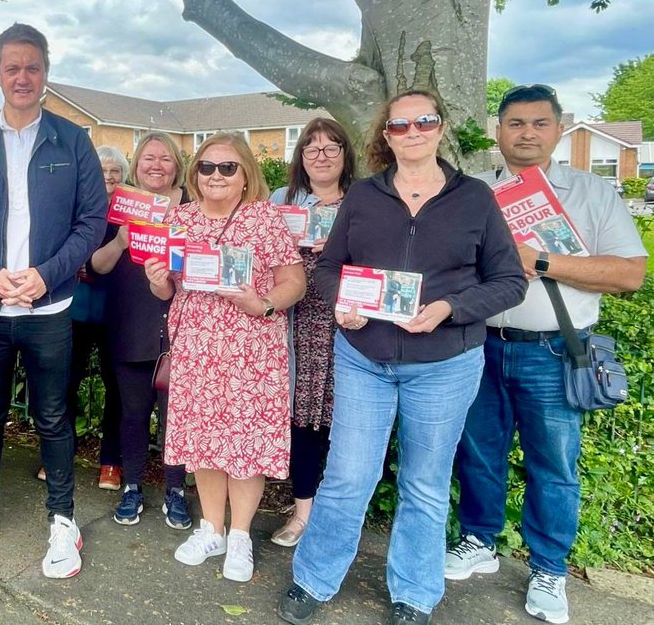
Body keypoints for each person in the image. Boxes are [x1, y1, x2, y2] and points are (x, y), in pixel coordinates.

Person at [279, 90, 527, 625]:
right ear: (386, 136)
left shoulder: (475, 198)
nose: (412, 131)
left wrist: (450, 308)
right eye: (400, 124)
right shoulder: (365, 196)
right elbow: (329, 267)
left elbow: (509, 282)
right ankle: (313, 577)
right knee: (347, 475)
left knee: (425, 480)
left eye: (424, 121)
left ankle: (414, 592)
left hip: (444, 363)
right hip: (365, 357)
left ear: (441, 128)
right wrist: (343, 301)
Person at [447, 84, 647, 625]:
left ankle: (549, 567)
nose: (526, 133)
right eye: (515, 123)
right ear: (498, 132)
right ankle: (478, 540)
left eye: (539, 123)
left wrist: (541, 261)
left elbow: (630, 274)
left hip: (553, 350)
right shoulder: (473, 192)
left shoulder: (591, 193)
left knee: (554, 465)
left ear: (559, 129)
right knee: (478, 452)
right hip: (479, 344)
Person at [0, 23, 108, 579]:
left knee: (52, 415)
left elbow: (91, 221)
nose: (22, 77)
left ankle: (63, 518)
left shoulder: (73, 140)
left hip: (49, 308)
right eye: (12, 67)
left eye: (32, 66)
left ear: (46, 72)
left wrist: (46, 275)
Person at [144, 132, 305, 584]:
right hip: (196, 347)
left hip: (251, 347)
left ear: (245, 173)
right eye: (206, 167)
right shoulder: (181, 220)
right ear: (195, 174)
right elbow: (168, 288)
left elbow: (295, 280)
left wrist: (266, 303)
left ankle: (240, 536)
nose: (216, 175)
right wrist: (157, 279)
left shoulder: (264, 218)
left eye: (227, 167)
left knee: (245, 443)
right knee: (204, 440)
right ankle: (211, 528)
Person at [89, 133, 191, 529]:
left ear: (177, 166)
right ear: (137, 164)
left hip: (181, 326)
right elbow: (96, 265)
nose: (157, 165)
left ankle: (175, 491)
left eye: (165, 158)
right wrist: (119, 239)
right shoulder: (118, 206)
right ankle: (132, 486)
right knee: (132, 413)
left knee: (175, 416)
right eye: (149, 158)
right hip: (129, 320)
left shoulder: (192, 208)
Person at [267, 117, 356, 548]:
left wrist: (339, 252)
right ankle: (302, 513)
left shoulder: (365, 201)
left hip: (347, 327)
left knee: (346, 423)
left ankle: (335, 518)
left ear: (345, 155)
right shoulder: (281, 200)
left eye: (331, 148)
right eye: (311, 149)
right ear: (301, 157)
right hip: (290, 323)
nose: (321, 157)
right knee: (301, 421)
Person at [51, 145, 126, 491]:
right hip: (76, 307)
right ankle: (59, 455)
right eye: (102, 170)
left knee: (117, 388)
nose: (108, 177)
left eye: (116, 171)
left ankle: (111, 462)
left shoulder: (135, 211)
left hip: (117, 311)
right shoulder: (75, 204)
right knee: (66, 381)